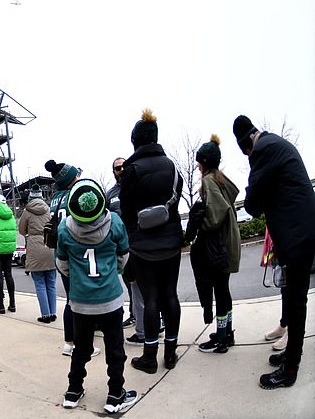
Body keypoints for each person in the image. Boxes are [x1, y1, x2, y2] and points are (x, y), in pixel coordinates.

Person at [233, 114, 315, 389]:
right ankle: (291, 355)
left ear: (246, 145)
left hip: (296, 235)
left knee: (295, 300)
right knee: (294, 297)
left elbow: (253, 204)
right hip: (301, 231)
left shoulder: (263, 150)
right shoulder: (275, 143)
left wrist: (260, 192)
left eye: (245, 153)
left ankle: (290, 369)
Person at [56, 179, 138, 414]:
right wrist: (113, 272)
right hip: (110, 299)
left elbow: (62, 264)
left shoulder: (64, 228)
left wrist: (80, 280)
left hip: (80, 302)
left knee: (81, 348)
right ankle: (115, 394)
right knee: (115, 349)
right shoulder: (115, 223)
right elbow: (123, 257)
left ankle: (73, 391)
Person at [119, 109, 183, 374]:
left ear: (135, 141)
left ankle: (149, 356)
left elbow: (125, 209)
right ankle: (170, 352)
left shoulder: (131, 171)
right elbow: (176, 199)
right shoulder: (171, 166)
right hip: (171, 241)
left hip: (142, 245)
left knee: (150, 298)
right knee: (171, 295)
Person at [187, 134, 241, 353]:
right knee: (224, 290)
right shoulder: (221, 178)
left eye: (199, 161)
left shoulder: (209, 180)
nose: (198, 165)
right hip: (229, 242)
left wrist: (200, 222)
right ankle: (227, 332)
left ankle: (221, 339)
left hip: (219, 247)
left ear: (204, 163)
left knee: (219, 290)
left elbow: (216, 214)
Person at [45, 159, 102, 358]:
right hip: (77, 254)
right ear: (71, 178)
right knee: (79, 302)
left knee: (71, 300)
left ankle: (69, 343)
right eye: (76, 175)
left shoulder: (55, 198)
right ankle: (81, 345)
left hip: (60, 254)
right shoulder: (75, 195)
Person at [18, 183, 57, 323]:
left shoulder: (27, 211)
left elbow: (21, 230)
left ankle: (45, 315)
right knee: (51, 283)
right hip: (50, 245)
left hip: (35, 247)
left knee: (40, 284)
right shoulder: (48, 209)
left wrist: (31, 231)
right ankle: (53, 313)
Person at [106, 157, 136, 329]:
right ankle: (134, 314)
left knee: (147, 283)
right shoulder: (110, 194)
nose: (121, 170)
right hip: (122, 246)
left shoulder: (137, 186)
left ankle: (156, 316)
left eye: (125, 167)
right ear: (114, 171)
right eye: (118, 168)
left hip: (140, 242)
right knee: (129, 282)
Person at [260, 228, 288, 351]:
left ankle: (292, 336)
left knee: (295, 294)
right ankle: (284, 325)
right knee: (285, 289)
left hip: (295, 240)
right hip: (281, 242)